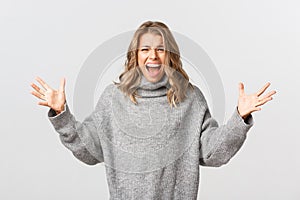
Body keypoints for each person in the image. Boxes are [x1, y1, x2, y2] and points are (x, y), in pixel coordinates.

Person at [30, 21, 276, 200]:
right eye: (145, 49)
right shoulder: (113, 99)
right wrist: (61, 114)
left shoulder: (190, 99)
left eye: (160, 48)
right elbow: (89, 150)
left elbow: (213, 153)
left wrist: (239, 118)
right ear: (135, 55)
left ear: (170, 55)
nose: (153, 56)